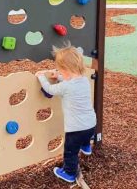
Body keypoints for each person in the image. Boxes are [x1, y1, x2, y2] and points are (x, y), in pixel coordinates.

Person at [35, 44, 96, 183]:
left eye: (60, 70)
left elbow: (50, 89)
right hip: (91, 125)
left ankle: (69, 173)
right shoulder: (84, 80)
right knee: (85, 137)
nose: (59, 72)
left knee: (70, 152)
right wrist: (60, 77)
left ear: (66, 70)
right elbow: (69, 83)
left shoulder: (66, 86)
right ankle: (86, 147)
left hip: (76, 130)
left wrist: (41, 78)